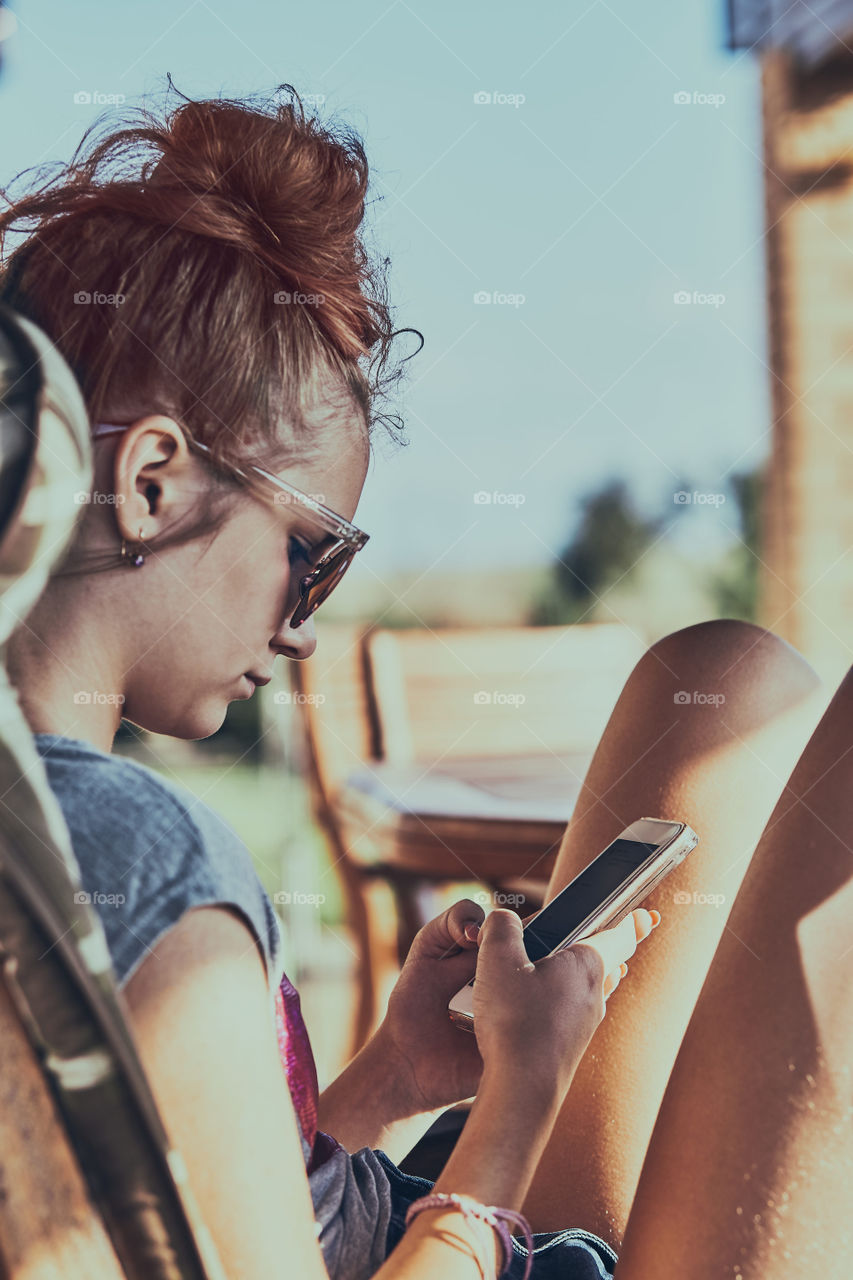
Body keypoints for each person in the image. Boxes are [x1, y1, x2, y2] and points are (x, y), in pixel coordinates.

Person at [2, 86, 849, 1280]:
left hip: (417, 1229)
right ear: (151, 483)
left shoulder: (61, 835)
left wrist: (401, 1073)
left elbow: (248, 1215)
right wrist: (519, 1105)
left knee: (722, 674)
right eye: (310, 556)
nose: (301, 631)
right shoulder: (154, 873)